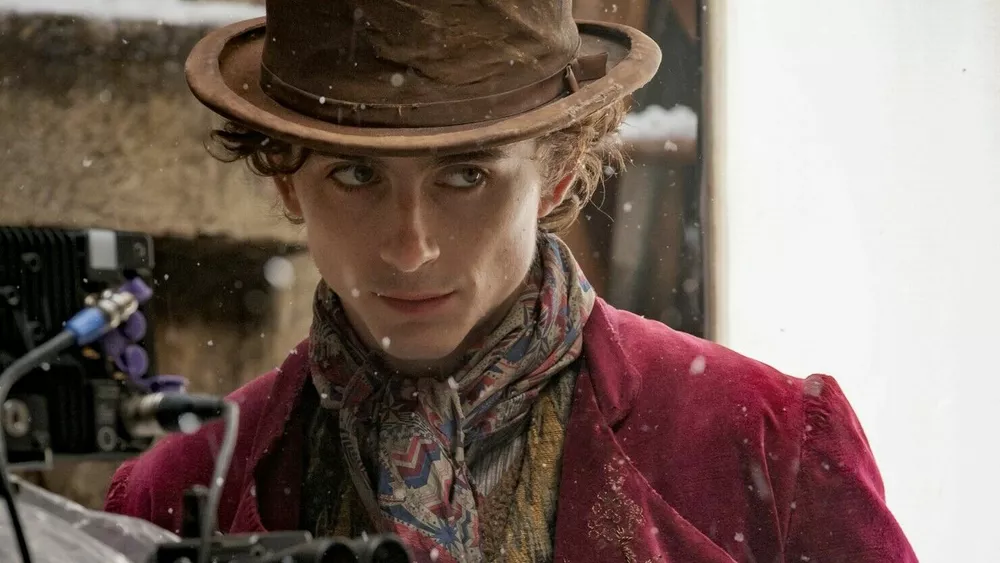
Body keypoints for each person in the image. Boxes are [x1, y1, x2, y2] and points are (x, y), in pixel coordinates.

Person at [103, 1, 917, 562]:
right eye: (356, 174)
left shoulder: (768, 446)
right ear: (287, 178)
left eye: (466, 176)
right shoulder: (176, 490)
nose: (411, 246)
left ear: (557, 170)